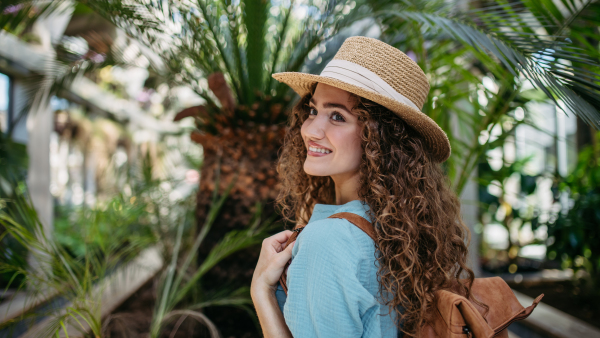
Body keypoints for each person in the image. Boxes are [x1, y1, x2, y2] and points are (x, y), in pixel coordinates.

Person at [251, 36, 474, 338]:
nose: (311, 130)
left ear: (381, 140)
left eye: (338, 116)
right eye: (313, 110)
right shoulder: (397, 229)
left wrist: (262, 292)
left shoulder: (328, 240)